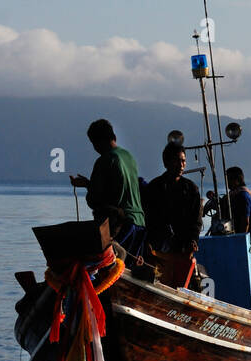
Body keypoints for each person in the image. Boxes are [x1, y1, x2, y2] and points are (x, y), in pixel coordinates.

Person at [69, 119, 146, 259]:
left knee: (106, 264)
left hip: (121, 225)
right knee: (128, 269)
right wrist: (88, 183)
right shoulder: (128, 157)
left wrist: (88, 188)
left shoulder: (105, 160)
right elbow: (120, 187)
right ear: (113, 136)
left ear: (98, 141)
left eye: (93, 143)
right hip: (139, 222)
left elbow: (95, 199)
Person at [143, 142, 203, 287]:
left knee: (188, 285)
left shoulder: (191, 189)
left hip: (183, 249)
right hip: (159, 250)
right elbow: (148, 218)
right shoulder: (154, 188)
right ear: (166, 162)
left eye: (183, 161)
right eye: (177, 160)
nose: (181, 165)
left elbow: (196, 221)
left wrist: (193, 240)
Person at [223, 166, 251, 259]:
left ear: (237, 180)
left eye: (229, 180)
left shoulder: (243, 196)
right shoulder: (234, 194)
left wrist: (240, 240)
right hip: (246, 231)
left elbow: (245, 222)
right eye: (226, 180)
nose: (227, 183)